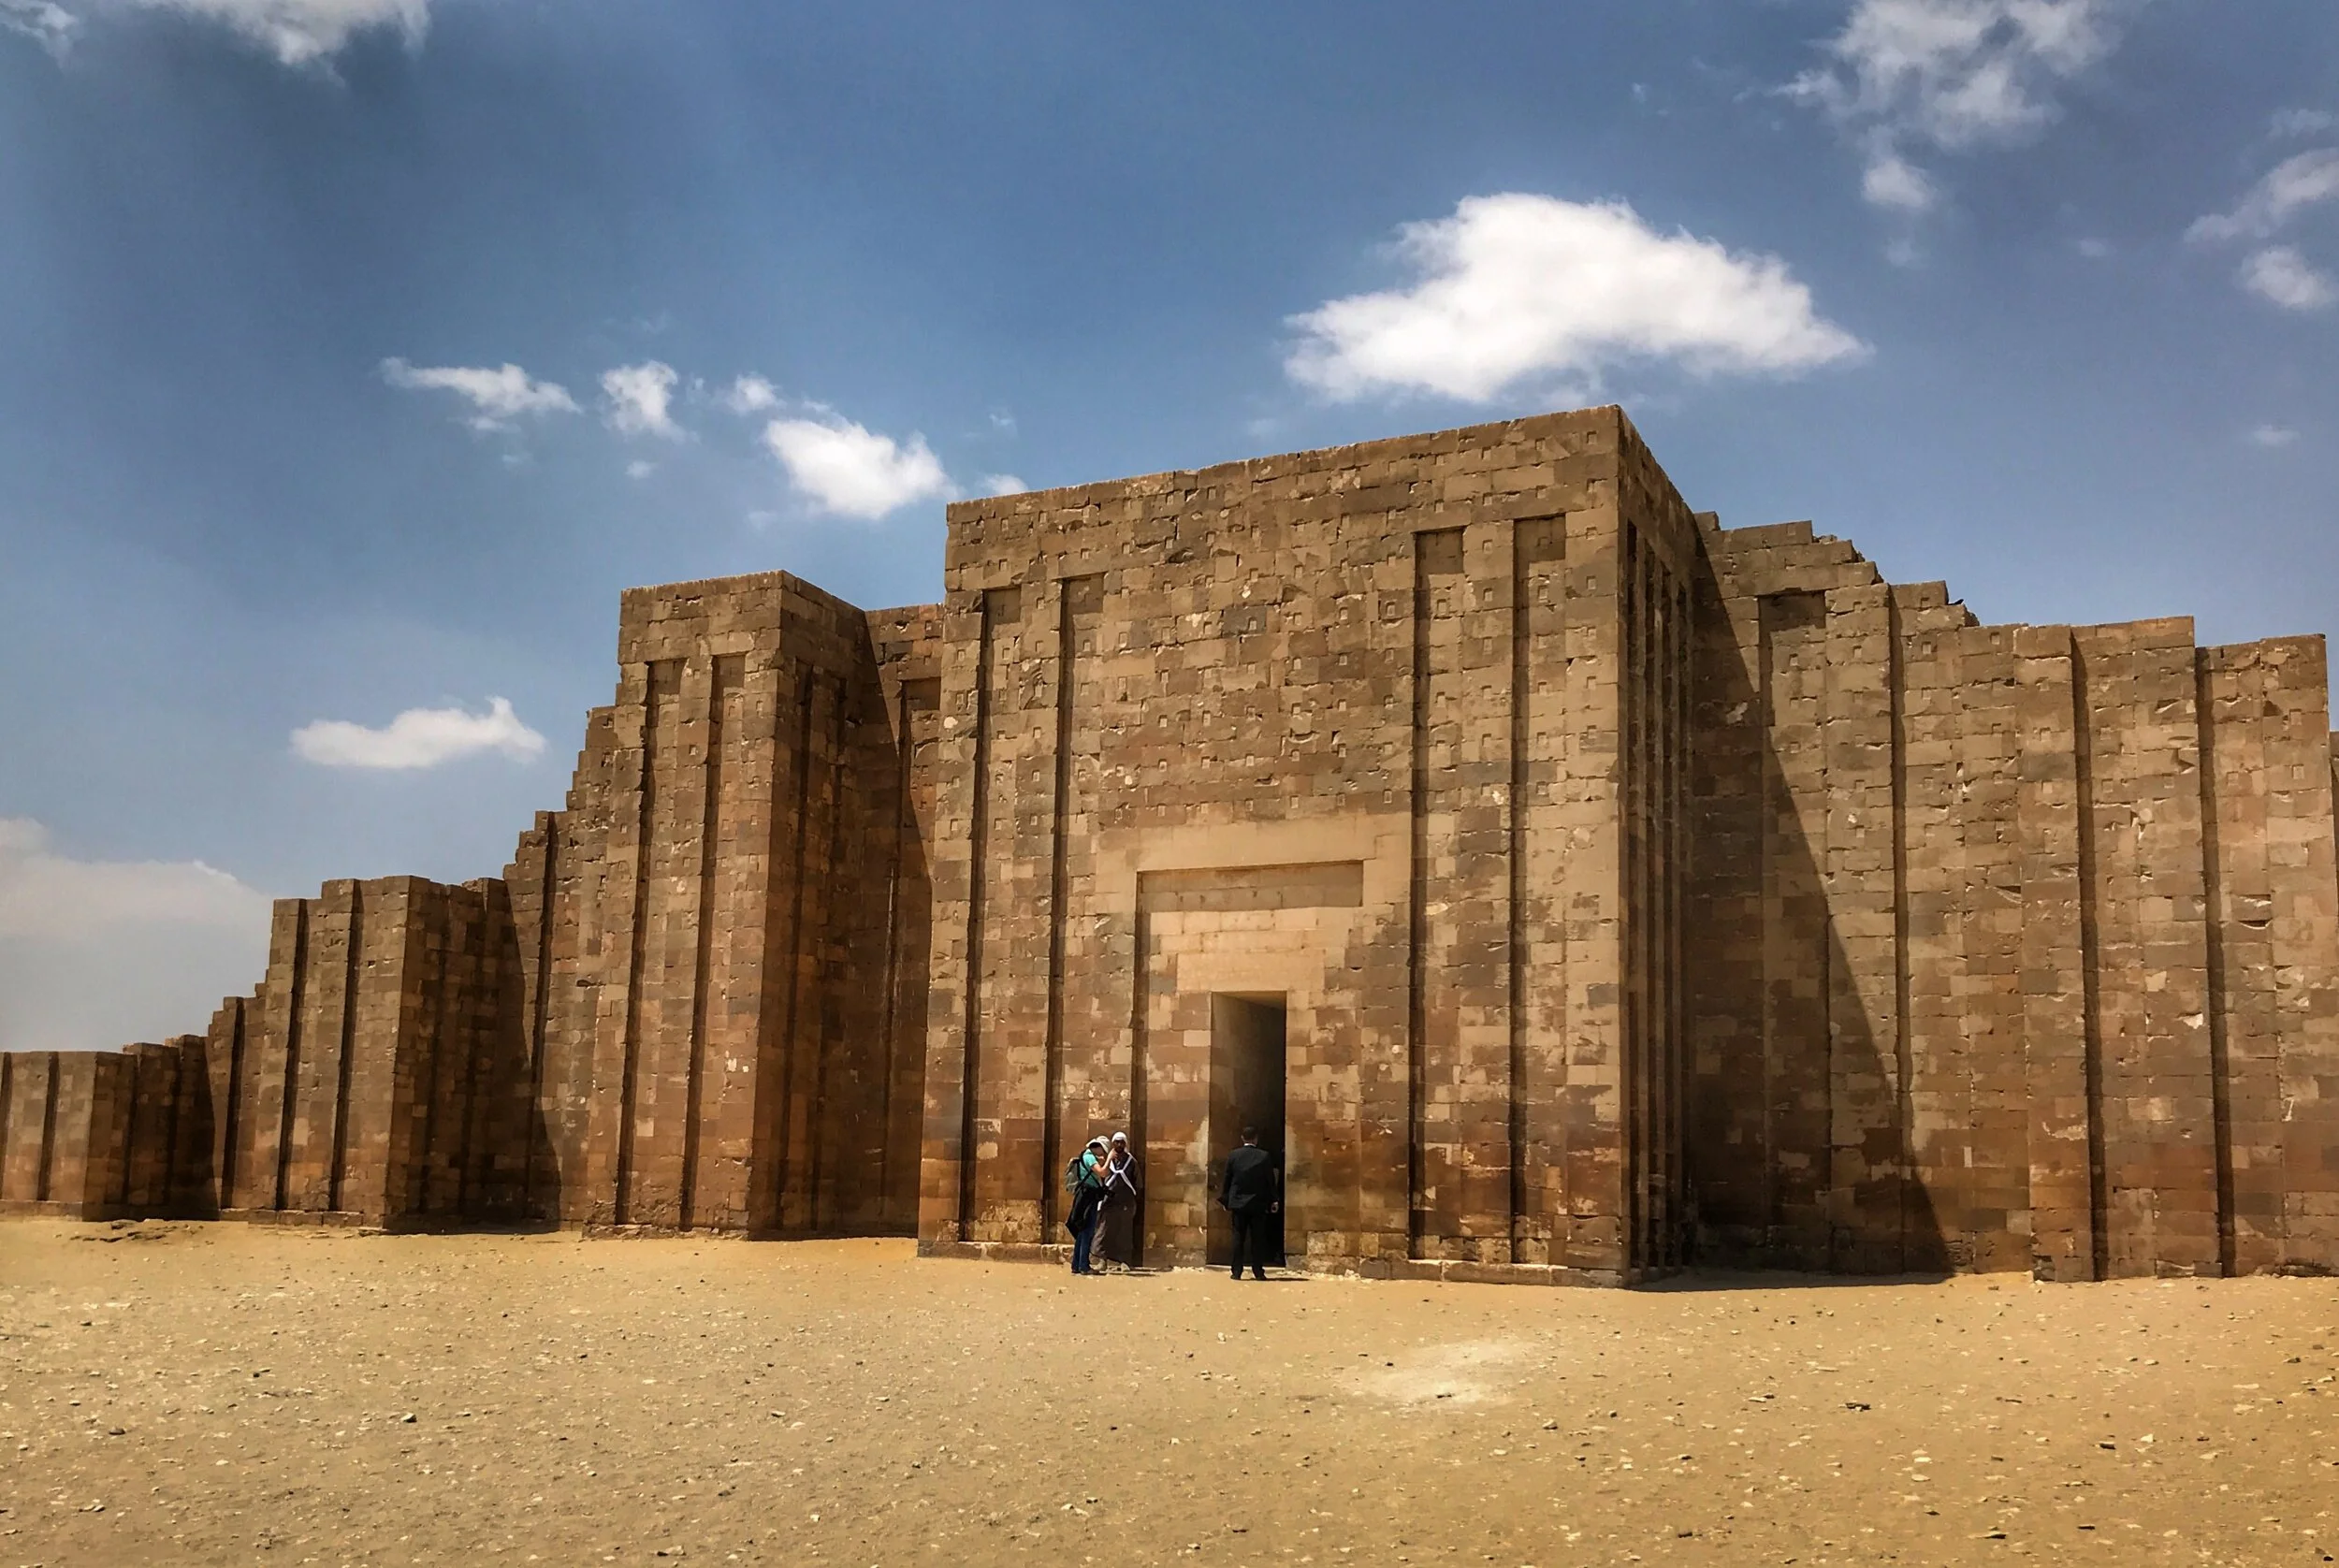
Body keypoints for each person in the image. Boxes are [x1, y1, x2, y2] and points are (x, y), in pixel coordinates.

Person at [1218, 1125, 1280, 1280]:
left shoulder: (1234, 1155)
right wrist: (1274, 1199)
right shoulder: (1264, 1156)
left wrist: (1225, 1199)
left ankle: (1236, 1271)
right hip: (1257, 1203)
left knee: (1238, 1237)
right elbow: (1269, 1181)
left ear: (1242, 1138)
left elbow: (1227, 1179)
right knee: (1257, 1238)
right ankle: (1258, 1271)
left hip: (1238, 1203)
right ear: (1256, 1139)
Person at [1096, 1130, 1144, 1272]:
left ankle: (1124, 1262)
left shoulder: (1131, 1161)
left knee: (1124, 1231)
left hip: (1125, 1200)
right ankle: (1102, 1260)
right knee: (1104, 1230)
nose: (1119, 1145)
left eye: (1121, 1142)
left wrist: (1134, 1198)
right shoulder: (1107, 1160)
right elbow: (1101, 1177)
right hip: (1108, 1200)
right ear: (1112, 1144)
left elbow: (1138, 1182)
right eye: (1116, 1142)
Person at [1065, 1137, 1107, 1275]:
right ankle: (1084, 1265)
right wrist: (1110, 1159)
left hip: (1085, 1196)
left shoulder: (1087, 1156)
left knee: (1082, 1230)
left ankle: (1077, 1264)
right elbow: (1103, 1172)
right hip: (1088, 1197)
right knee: (1087, 1230)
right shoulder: (1089, 1157)